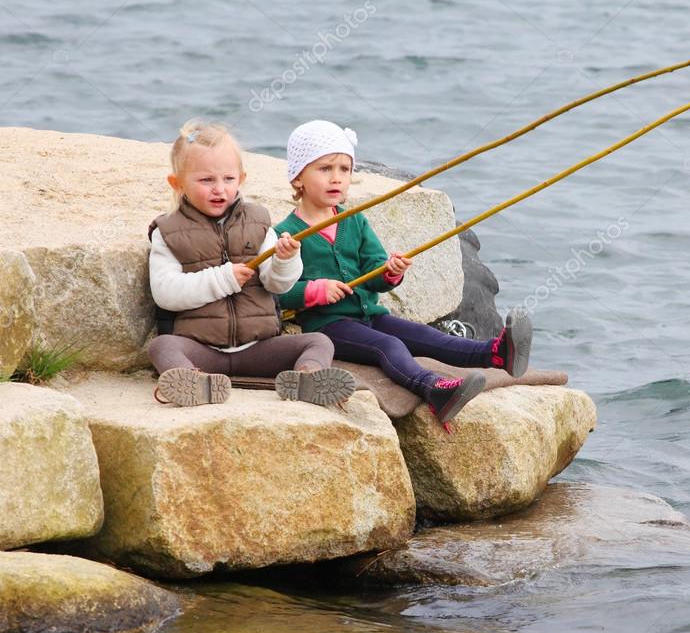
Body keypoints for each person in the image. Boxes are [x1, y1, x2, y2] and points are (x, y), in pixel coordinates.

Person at [275, 120, 531, 427]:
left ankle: (495, 354)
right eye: (325, 169)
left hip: (371, 314)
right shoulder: (286, 234)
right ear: (298, 177)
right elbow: (277, 289)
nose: (337, 178)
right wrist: (315, 291)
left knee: (427, 336)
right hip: (331, 325)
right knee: (389, 346)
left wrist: (390, 272)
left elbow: (375, 272)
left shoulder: (353, 220)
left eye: (344, 169)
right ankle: (433, 389)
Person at [147, 119, 355, 407]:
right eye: (206, 180)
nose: (219, 189)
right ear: (178, 183)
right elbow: (166, 293)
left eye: (228, 179)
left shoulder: (258, 222)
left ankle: (308, 378)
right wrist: (223, 279)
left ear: (241, 178)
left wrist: (285, 260)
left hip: (259, 346)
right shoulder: (167, 231)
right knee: (162, 346)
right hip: (201, 349)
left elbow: (277, 285)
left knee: (318, 342)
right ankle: (193, 381)